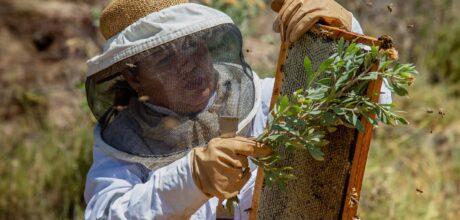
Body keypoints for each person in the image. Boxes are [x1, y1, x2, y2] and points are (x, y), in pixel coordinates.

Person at [83, 0, 390, 219]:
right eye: (164, 59)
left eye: (191, 45)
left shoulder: (270, 99)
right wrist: (190, 178)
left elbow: (373, 105)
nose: (187, 65)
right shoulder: (124, 145)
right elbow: (105, 214)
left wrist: (348, 38)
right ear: (134, 77)